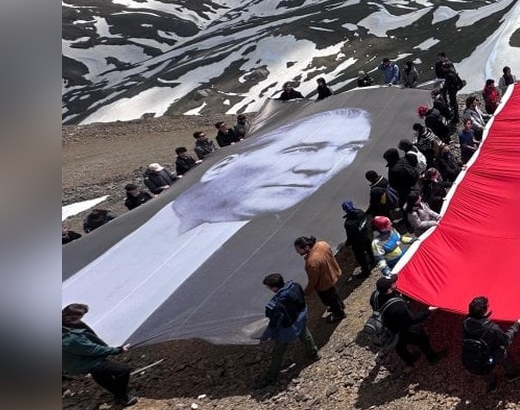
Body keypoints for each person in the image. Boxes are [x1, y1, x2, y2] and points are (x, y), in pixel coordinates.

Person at [63, 108, 372, 347]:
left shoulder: (248, 249)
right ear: (224, 164)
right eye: (305, 150)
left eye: (345, 151)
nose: (320, 167)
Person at [62, 303, 137, 406]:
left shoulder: (65, 326)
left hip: (78, 362)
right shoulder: (69, 338)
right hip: (86, 362)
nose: (81, 319)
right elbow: (92, 349)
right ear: (72, 317)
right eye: (80, 316)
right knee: (122, 370)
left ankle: (118, 392)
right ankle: (121, 397)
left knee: (102, 375)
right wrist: (118, 350)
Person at [256, 273, 319, 388]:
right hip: (301, 317)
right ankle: (313, 353)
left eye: (269, 287)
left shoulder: (276, 303)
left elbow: (274, 323)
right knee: (305, 335)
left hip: (288, 328)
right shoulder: (295, 286)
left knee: (278, 352)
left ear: (274, 287)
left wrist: (264, 337)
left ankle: (271, 376)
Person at [371, 275, 447, 369]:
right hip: (401, 328)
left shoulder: (374, 296)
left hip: (387, 325)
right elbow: (412, 320)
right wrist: (428, 311)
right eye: (393, 283)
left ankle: (409, 359)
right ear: (389, 289)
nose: (396, 283)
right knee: (421, 338)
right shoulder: (398, 307)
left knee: (398, 345)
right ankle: (432, 357)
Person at [461, 296, 520, 391]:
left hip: (474, 356)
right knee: (503, 356)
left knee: (484, 369)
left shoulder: (466, 323)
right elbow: (506, 340)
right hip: (491, 353)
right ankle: (512, 374)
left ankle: (492, 384)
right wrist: (516, 325)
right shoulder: (491, 328)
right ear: (484, 311)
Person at [294, 236, 345, 323]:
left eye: (299, 250)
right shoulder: (322, 244)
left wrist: (306, 292)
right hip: (333, 273)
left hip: (324, 283)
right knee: (334, 294)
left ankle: (339, 313)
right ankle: (340, 305)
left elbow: (313, 280)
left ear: (306, 247)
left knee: (329, 299)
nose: (297, 252)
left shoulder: (312, 261)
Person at [340, 200, 373, 277]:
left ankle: (365, 271)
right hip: (365, 236)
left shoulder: (348, 223)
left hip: (357, 243)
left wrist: (347, 244)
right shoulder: (361, 212)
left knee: (360, 257)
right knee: (369, 250)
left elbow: (350, 237)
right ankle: (373, 261)